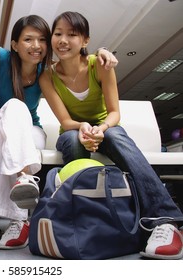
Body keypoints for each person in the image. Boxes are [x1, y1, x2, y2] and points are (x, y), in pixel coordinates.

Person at [0, 15, 118, 250]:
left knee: (11, 146)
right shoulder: (2, 59)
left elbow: (83, 55)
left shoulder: (46, 73)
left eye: (41, 40)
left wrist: (102, 50)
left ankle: (19, 208)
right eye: (28, 39)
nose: (36, 46)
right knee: (15, 107)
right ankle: (20, 213)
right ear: (15, 45)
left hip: (31, 131)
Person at [39, 11, 183, 259]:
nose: (62, 40)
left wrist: (101, 129)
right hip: (74, 130)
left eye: (72, 34)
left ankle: (165, 220)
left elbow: (115, 112)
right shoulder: (48, 75)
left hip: (106, 126)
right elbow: (65, 120)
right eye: (58, 34)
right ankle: (83, 219)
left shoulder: (100, 64)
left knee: (116, 136)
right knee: (73, 141)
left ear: (85, 40)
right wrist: (83, 127)